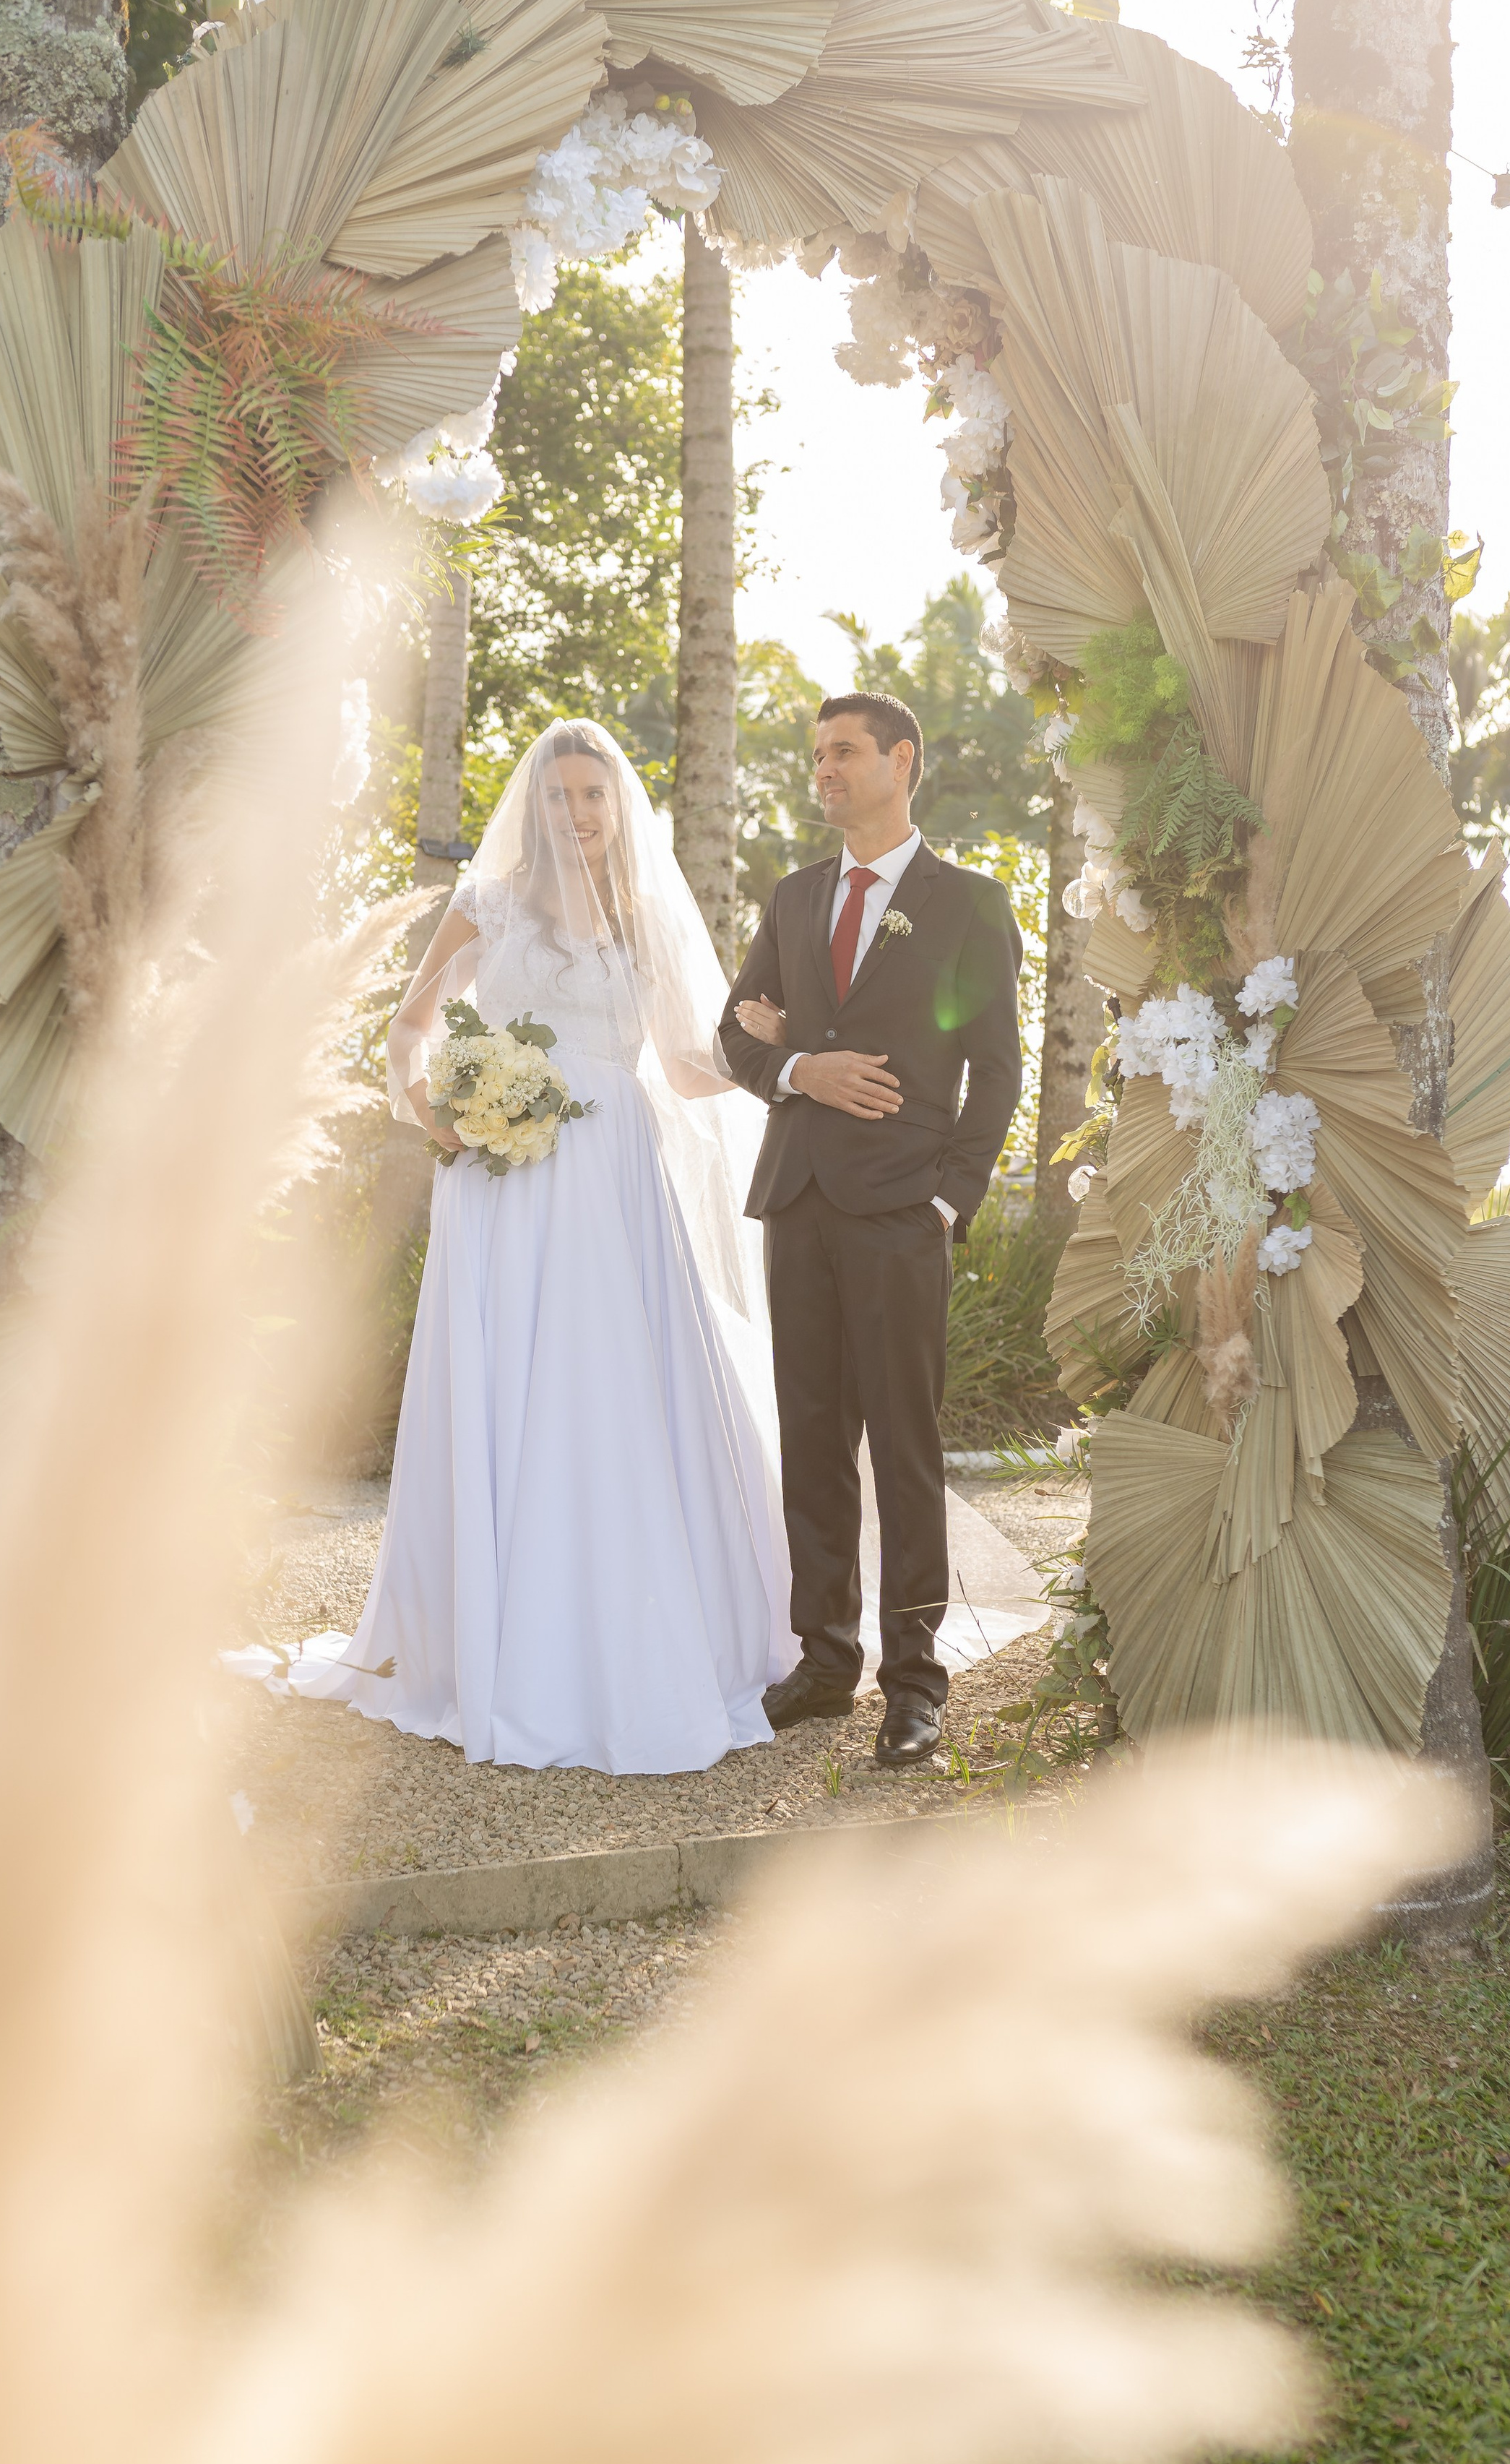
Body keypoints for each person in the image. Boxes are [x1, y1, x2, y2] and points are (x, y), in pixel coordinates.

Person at [303, 720, 793, 1775]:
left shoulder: (646, 919)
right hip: (506, 1182)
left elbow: (684, 1063)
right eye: (559, 796)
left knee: (616, 1382)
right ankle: (497, 1637)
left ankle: (634, 1622)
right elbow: (410, 1025)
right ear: (534, 807)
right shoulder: (488, 904)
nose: (575, 814)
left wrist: (779, 1059)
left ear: (620, 809)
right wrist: (441, 1117)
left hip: (617, 1173)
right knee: (512, 1382)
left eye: (593, 796)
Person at [718, 693, 1023, 1770]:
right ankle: (823, 1659)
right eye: (817, 755)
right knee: (812, 1439)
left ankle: (915, 1683)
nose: (825, 770)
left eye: (844, 752)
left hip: (903, 1213)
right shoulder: (795, 900)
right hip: (798, 1199)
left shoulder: (970, 904)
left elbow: (1000, 1067)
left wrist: (951, 1198)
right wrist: (802, 1066)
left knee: (905, 1443)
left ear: (903, 759)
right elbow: (734, 1033)